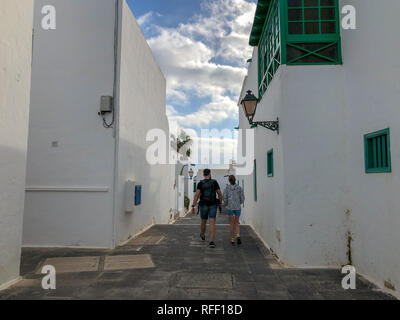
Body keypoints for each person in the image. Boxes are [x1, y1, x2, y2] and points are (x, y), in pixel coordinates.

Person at [191, 169, 223, 248]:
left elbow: (197, 195)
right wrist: (220, 203)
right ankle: (211, 241)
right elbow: (219, 194)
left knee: (203, 221)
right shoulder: (214, 182)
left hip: (203, 205)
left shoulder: (200, 183)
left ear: (203, 174)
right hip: (213, 204)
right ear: (210, 174)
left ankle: (202, 234)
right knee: (212, 223)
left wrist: (193, 205)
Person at [223, 175, 245, 246]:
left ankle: (232, 240)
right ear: (235, 180)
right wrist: (239, 203)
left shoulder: (226, 188)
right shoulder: (239, 188)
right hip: (237, 207)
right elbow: (242, 198)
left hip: (230, 208)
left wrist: (225, 204)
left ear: (229, 180)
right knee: (237, 223)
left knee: (231, 223)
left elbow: (225, 198)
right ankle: (238, 235)